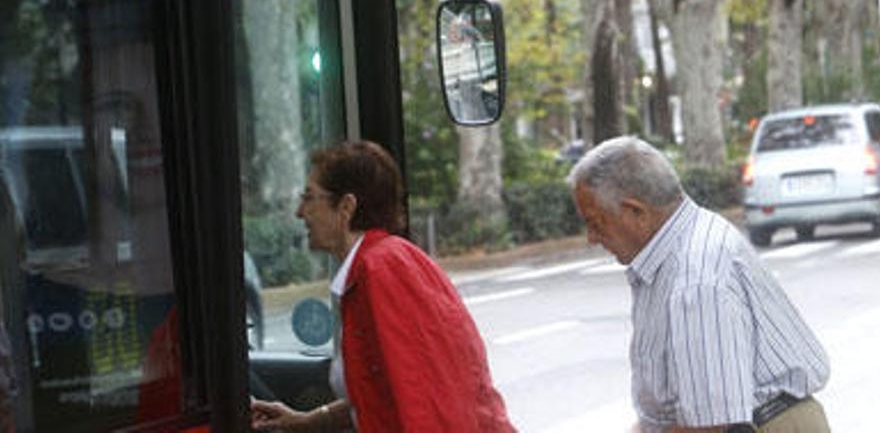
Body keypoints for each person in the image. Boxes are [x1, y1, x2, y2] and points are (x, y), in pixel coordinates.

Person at [567, 136, 830, 433]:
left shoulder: (696, 278)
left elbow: (709, 424)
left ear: (635, 212)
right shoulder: (678, 248)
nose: (592, 238)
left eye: (596, 223)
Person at [251, 140, 515, 433]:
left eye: (310, 197)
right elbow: (380, 396)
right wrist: (307, 421)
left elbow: (420, 402)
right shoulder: (378, 264)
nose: (300, 212)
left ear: (346, 207)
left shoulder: (383, 270)